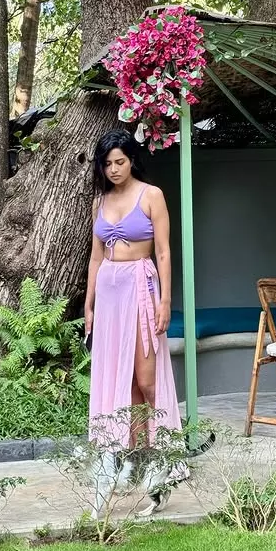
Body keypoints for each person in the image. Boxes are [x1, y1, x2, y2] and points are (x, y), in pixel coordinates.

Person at [85, 129, 189, 518]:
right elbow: (96, 257)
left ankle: (165, 459)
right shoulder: (99, 201)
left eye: (120, 161)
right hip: (109, 293)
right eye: (107, 163)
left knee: (147, 381)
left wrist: (166, 301)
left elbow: (163, 252)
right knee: (121, 383)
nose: (114, 169)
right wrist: (89, 305)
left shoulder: (151, 195)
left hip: (141, 288)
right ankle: (133, 463)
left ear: (132, 161)